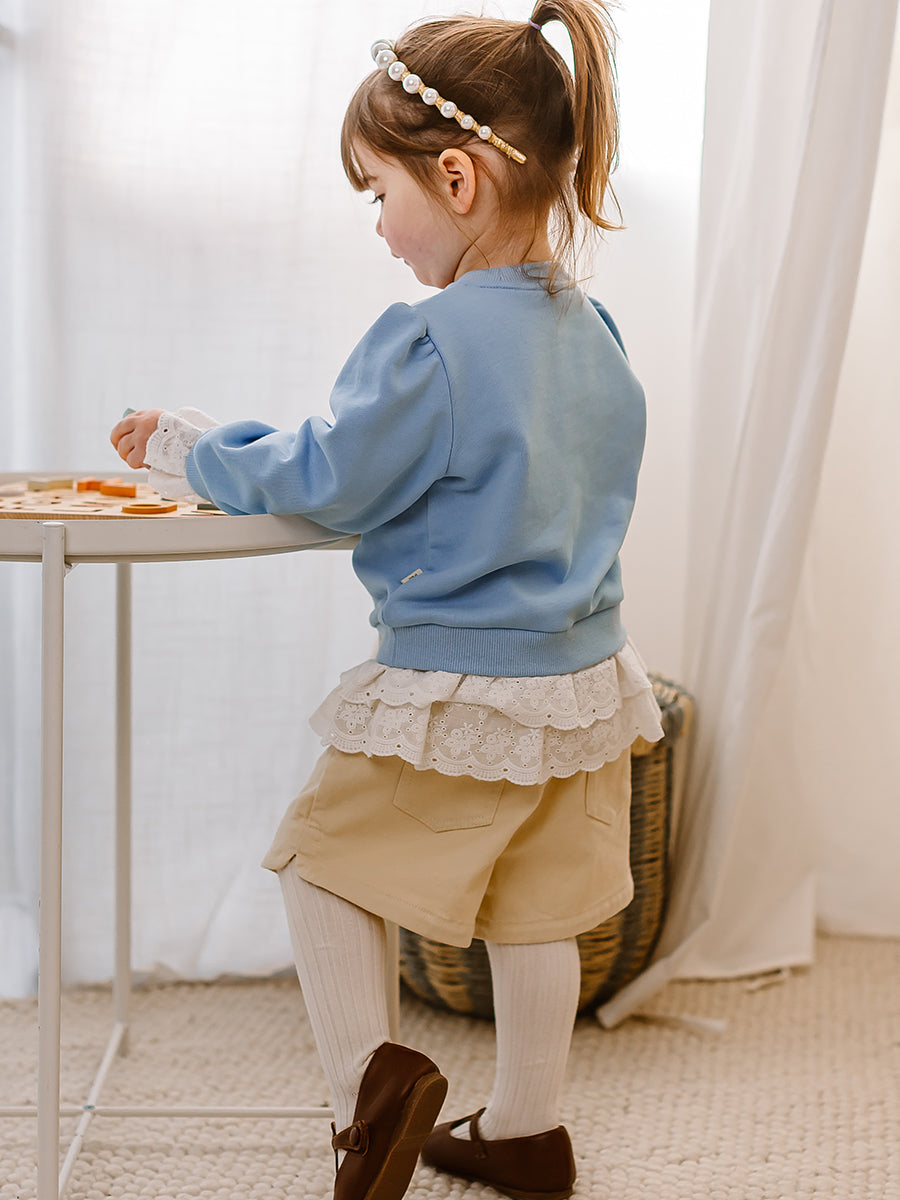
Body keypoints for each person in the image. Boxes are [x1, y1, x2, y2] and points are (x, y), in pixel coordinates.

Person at [111, 3, 663, 1198]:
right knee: (537, 911)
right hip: (583, 682)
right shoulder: (599, 334)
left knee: (319, 865)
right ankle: (526, 1130)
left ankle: (372, 1090)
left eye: (377, 192)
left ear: (456, 178)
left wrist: (191, 446)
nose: (376, 225)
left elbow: (331, 477)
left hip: (463, 683)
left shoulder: (433, 342)